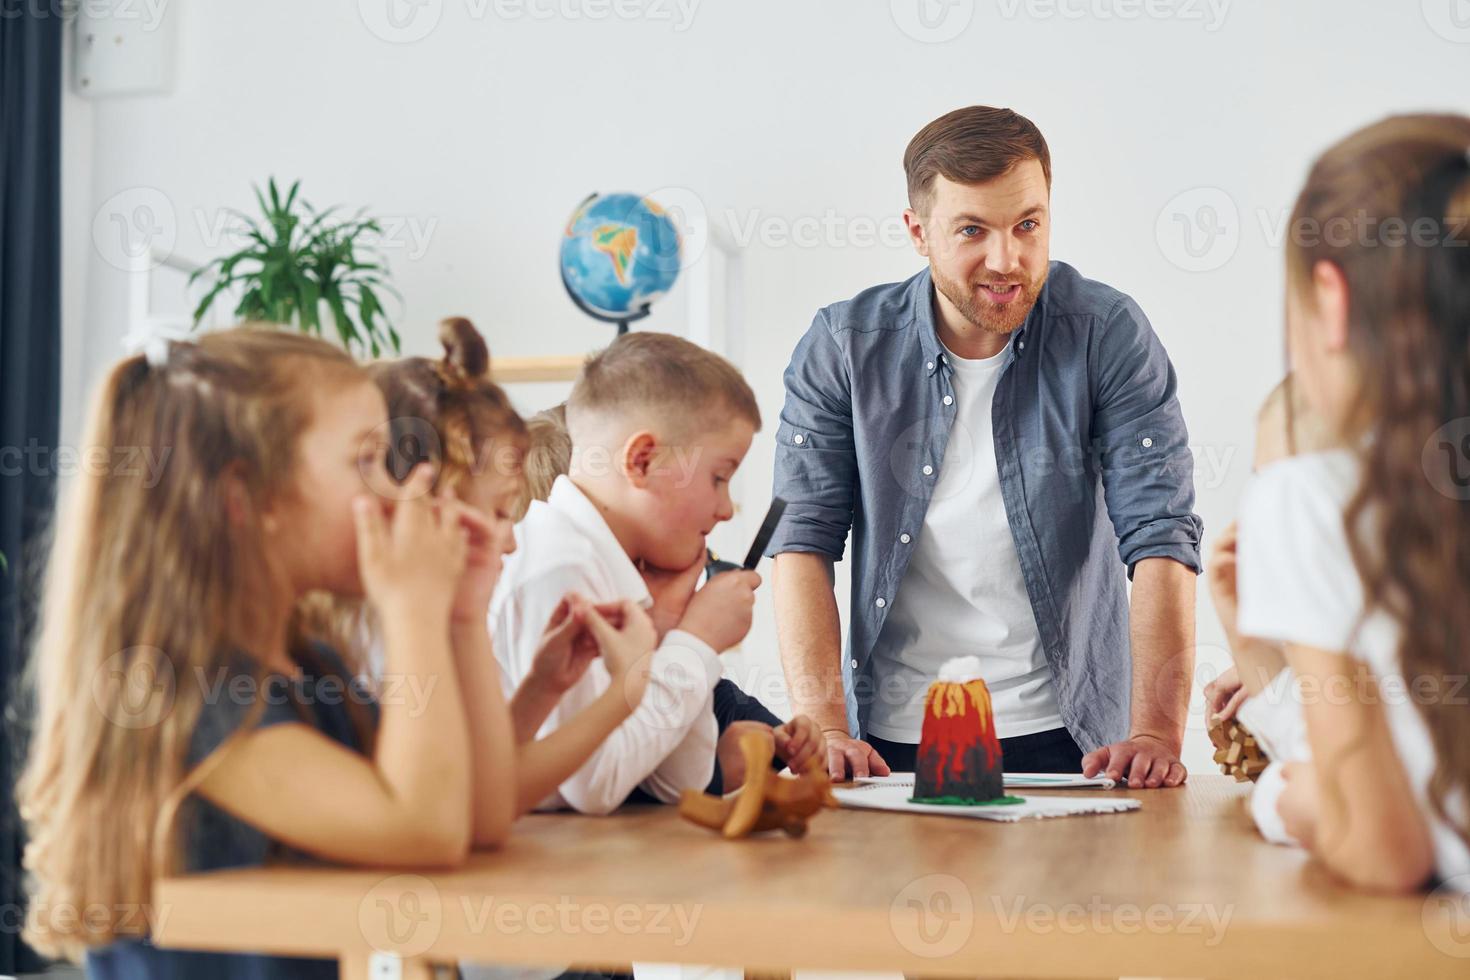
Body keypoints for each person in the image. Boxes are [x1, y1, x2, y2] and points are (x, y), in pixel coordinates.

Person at [769, 105, 1201, 786]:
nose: (1008, 260)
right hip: (889, 743)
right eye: (972, 230)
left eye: (1028, 225)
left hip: (1073, 740)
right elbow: (802, 542)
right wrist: (823, 726)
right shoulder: (843, 347)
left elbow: (1161, 537)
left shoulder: (1106, 332)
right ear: (918, 232)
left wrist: (1154, 733)